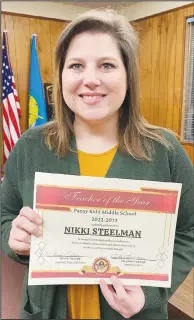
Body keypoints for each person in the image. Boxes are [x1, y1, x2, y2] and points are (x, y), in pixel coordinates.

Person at [1, 8, 194, 320]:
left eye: (106, 65)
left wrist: (151, 294)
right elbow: (5, 215)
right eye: (76, 65)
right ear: (61, 74)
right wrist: (14, 238)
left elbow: (189, 229)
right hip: (49, 309)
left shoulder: (166, 151)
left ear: (128, 75)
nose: (90, 79)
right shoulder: (30, 147)